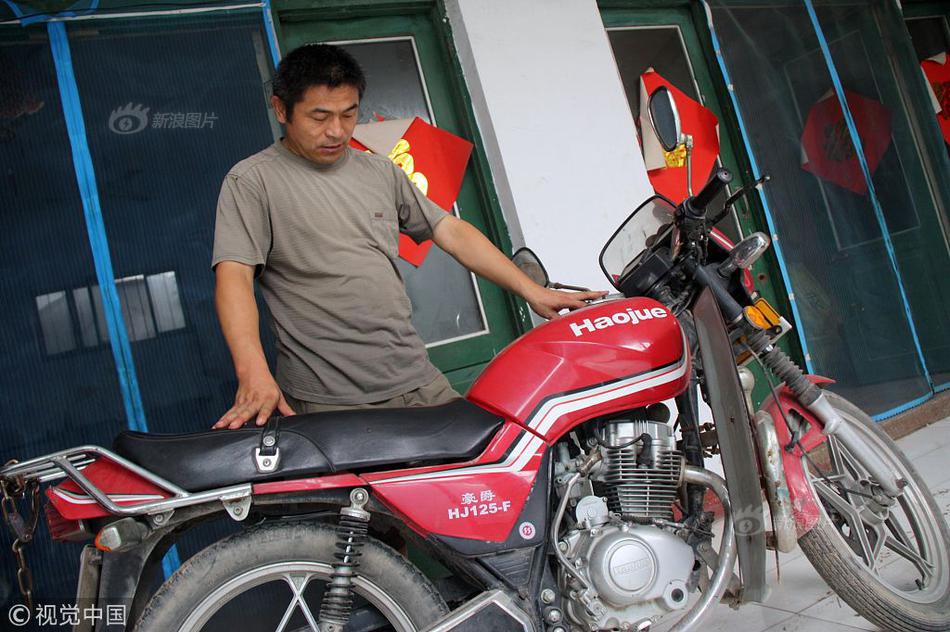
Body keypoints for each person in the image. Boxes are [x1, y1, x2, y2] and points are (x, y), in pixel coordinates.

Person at [211, 44, 603, 430]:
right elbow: (234, 277)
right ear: (281, 110)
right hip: (332, 400)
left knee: (476, 473)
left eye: (348, 115)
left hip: (415, 377)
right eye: (319, 117)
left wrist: (532, 291)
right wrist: (254, 372)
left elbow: (448, 229)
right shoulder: (252, 182)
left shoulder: (379, 172)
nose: (336, 131)